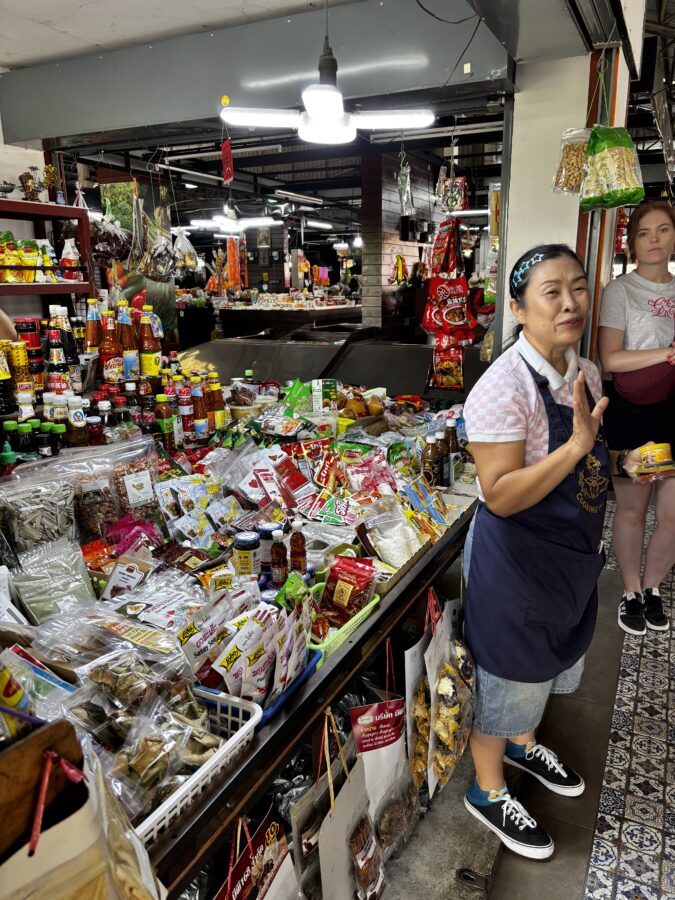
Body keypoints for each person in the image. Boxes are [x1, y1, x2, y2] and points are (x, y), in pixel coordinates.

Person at [461, 245, 642, 860]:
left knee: (543, 670)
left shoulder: (584, 372)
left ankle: (522, 745)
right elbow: (502, 495)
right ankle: (487, 790)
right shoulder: (501, 388)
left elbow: (590, 457)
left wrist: (620, 461)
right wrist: (573, 450)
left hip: (568, 561)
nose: (570, 303)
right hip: (516, 564)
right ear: (517, 307)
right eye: (550, 291)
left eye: (579, 288)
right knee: (507, 675)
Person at [598, 199, 675, 636]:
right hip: (634, 413)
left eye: (663, 230)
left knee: (672, 514)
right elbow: (611, 360)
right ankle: (630, 591)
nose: (653, 241)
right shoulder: (620, 292)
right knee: (632, 508)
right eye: (644, 233)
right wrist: (666, 354)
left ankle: (652, 588)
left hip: (673, 410)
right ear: (631, 242)